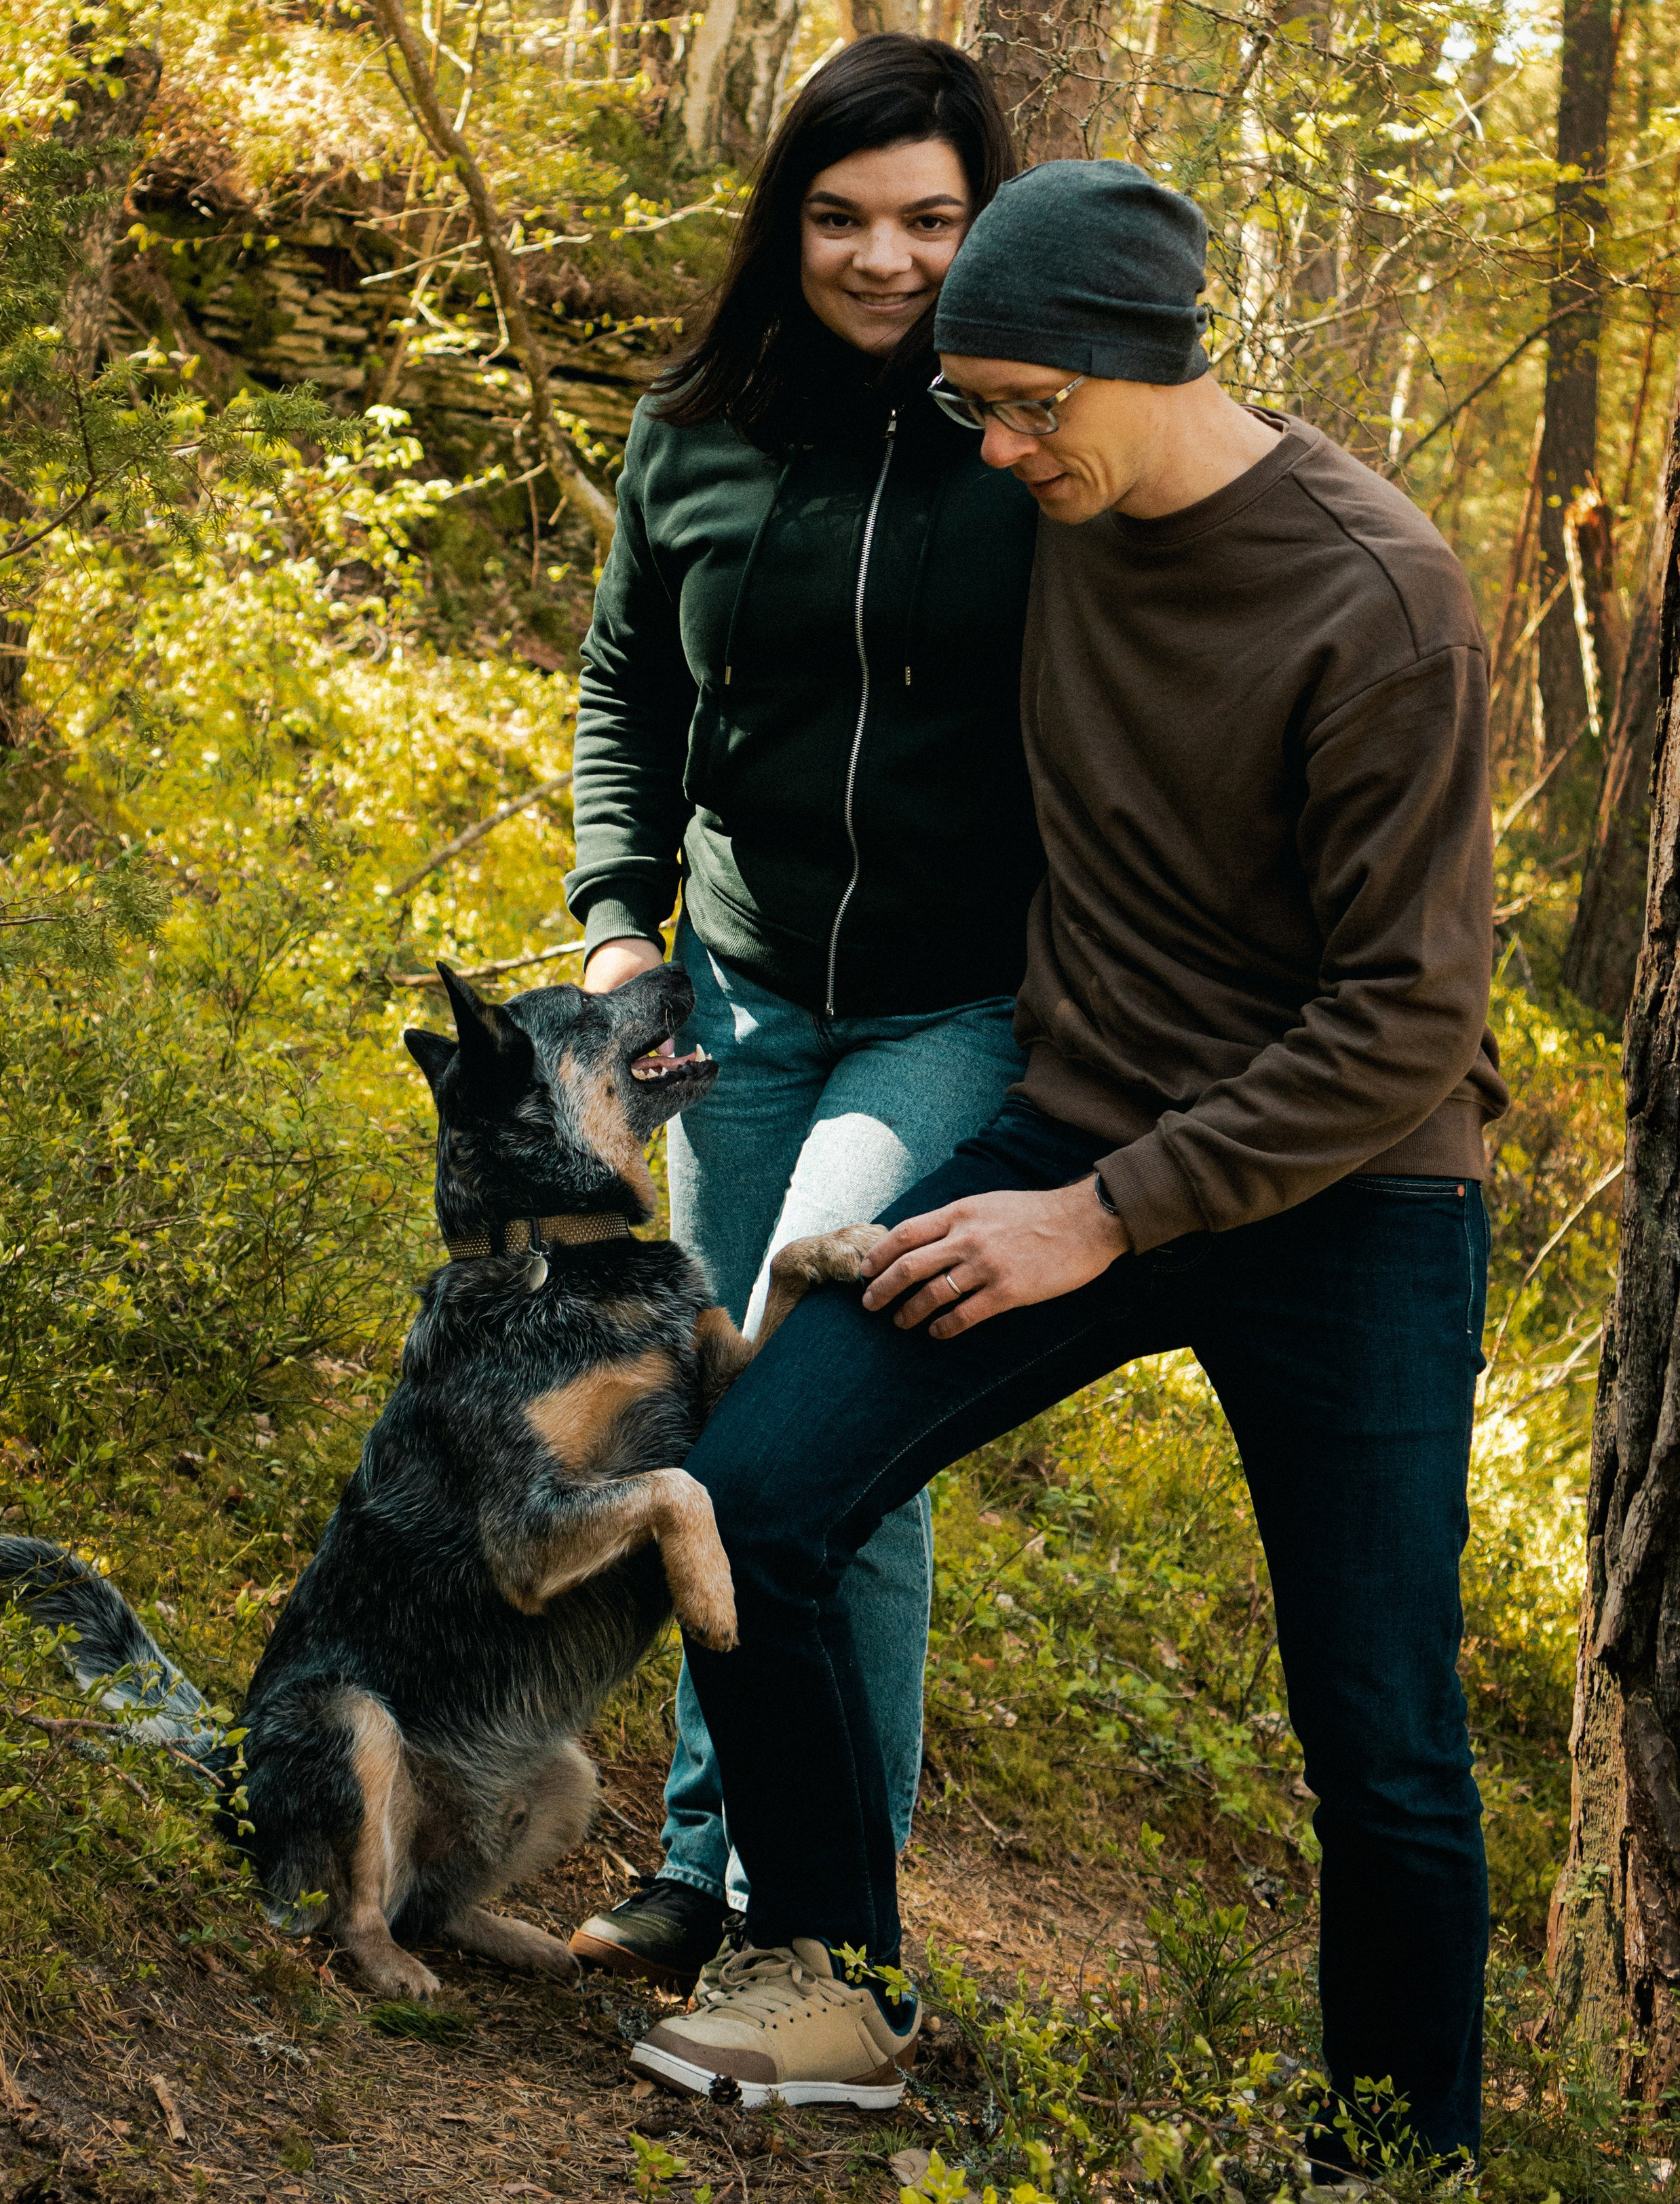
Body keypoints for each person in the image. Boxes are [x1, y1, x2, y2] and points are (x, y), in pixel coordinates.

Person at [629, 159, 1508, 2167]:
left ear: (1147, 360)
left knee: (1380, 1739)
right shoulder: (1047, 513)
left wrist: (1096, 1219)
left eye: (1033, 405)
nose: (1003, 449)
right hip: (1078, 1130)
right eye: (977, 410)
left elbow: (1408, 1021)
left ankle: (1399, 2156)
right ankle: (832, 1980)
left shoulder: (1381, 601)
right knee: (748, 1498)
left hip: (1353, 1194)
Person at [563, 35, 1046, 1987]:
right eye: (843, 217)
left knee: (809, 1380)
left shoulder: (1025, 437)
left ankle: (820, 1909)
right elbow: (626, 689)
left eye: (931, 220)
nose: (883, 258)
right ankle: (708, 1858)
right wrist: (620, 930)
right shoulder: (695, 425)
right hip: (738, 1001)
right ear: (789, 223)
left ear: (983, 226)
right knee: (714, 1407)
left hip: (953, 1008)